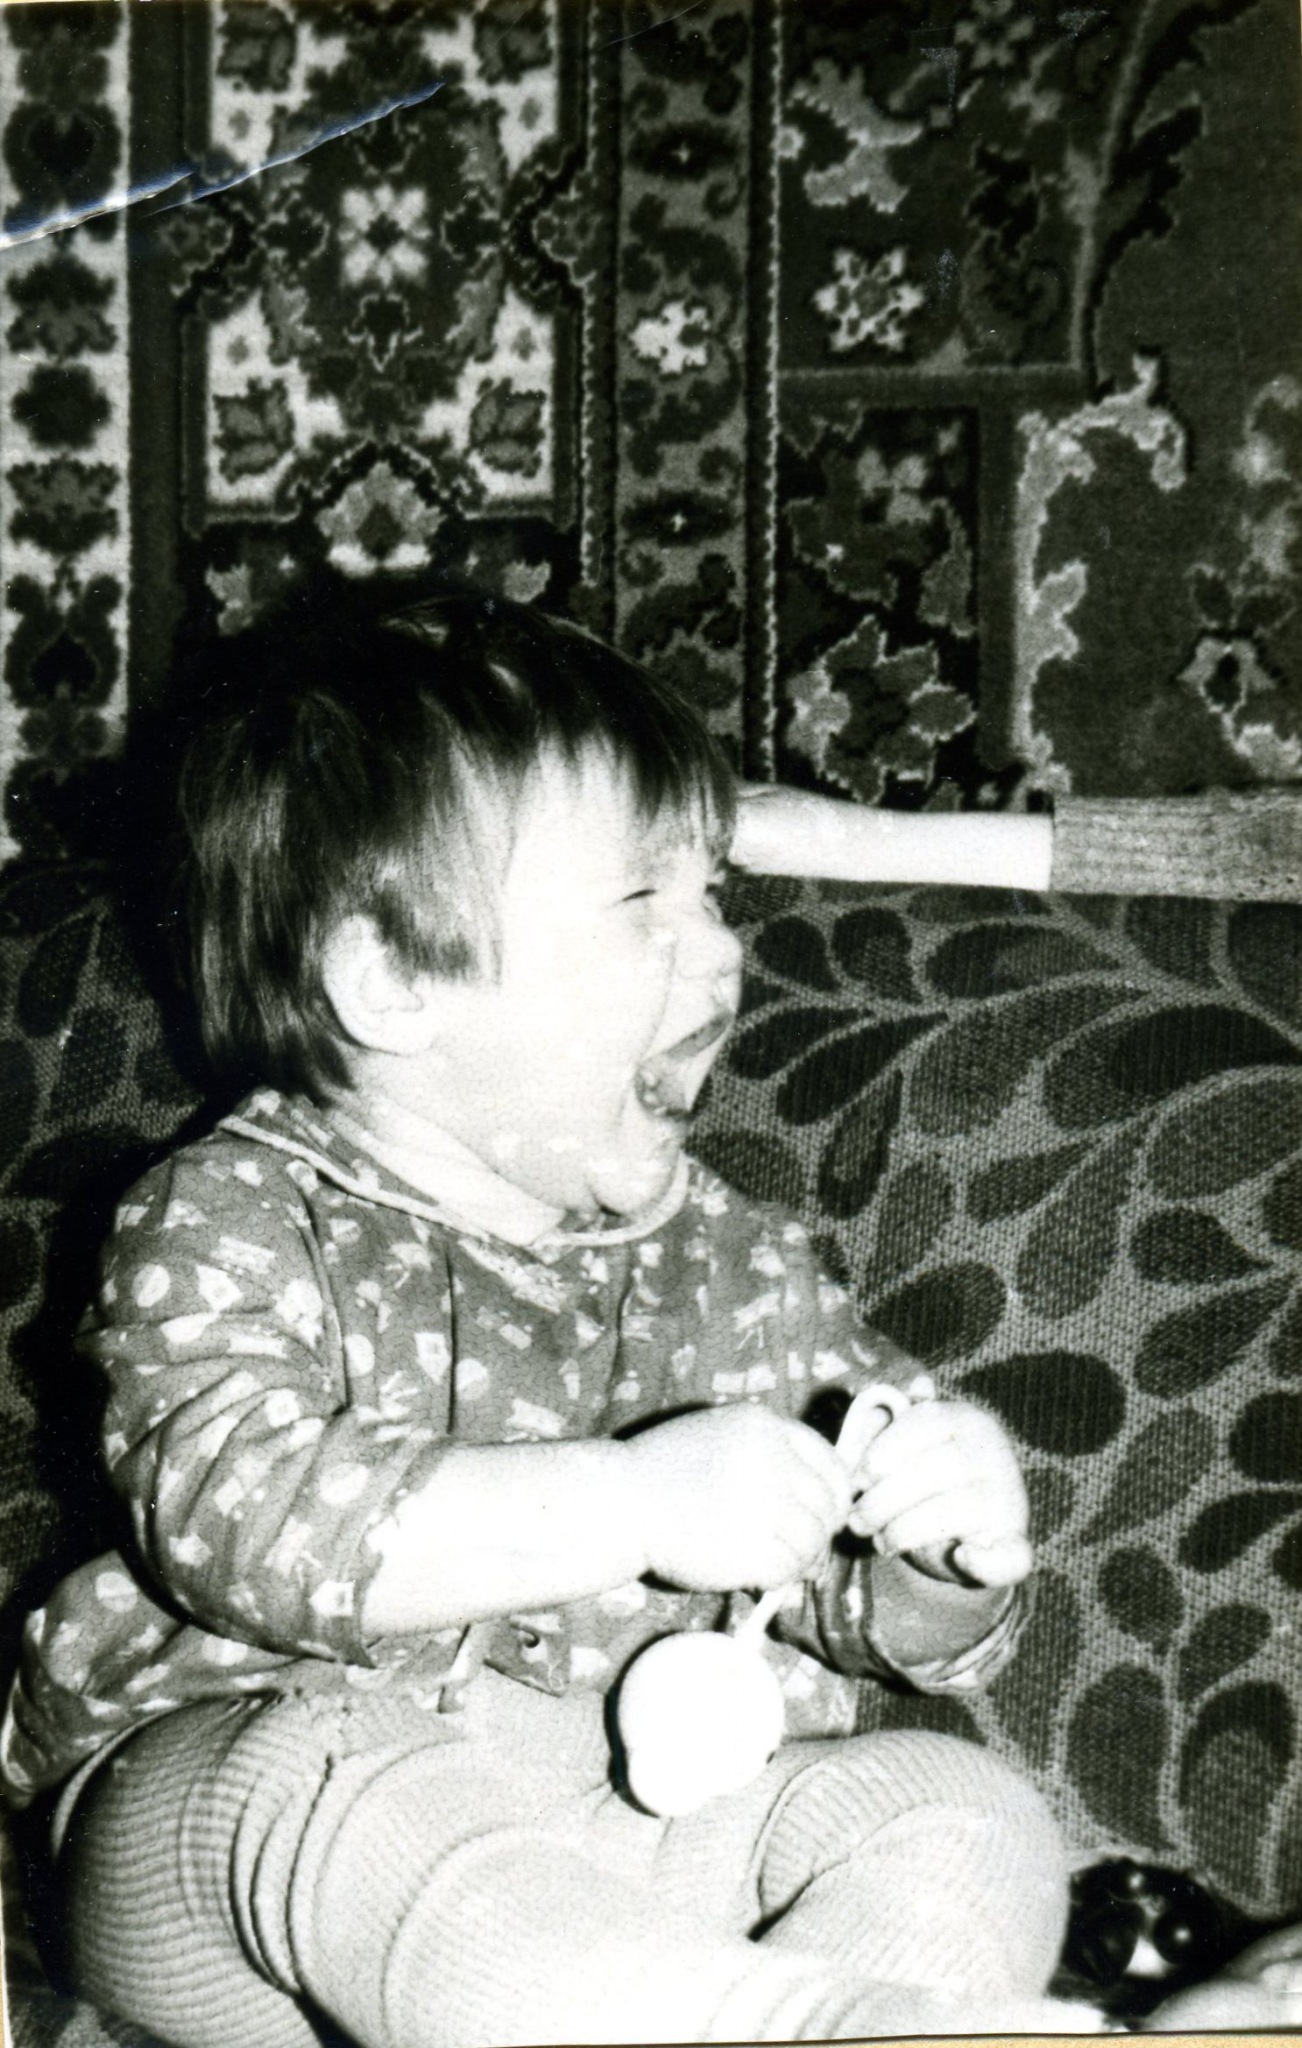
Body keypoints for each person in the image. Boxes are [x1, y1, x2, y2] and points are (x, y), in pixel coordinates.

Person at [1, 583, 1296, 2046]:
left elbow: (842, 1591)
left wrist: (939, 1554)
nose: (722, 951)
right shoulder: (228, 1214)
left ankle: (842, 2017)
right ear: (393, 979)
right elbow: (242, 1521)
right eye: (644, 902)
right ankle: (794, 2027)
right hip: (228, 1845)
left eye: (714, 895)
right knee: (329, 1771)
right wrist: (631, 1504)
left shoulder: (736, 1261)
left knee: (956, 1806)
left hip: (608, 1867)